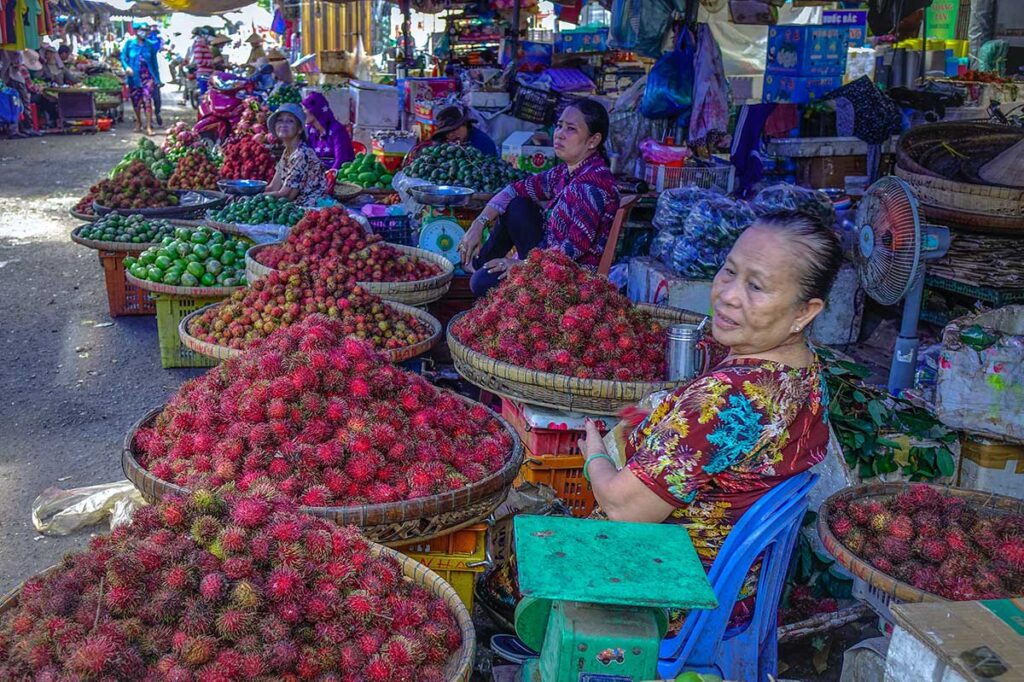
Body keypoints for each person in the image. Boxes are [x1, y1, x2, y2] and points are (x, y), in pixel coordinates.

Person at [577, 210, 844, 629]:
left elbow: (623, 507)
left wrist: (595, 455)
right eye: (728, 271)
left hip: (683, 588)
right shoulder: (803, 372)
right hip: (732, 582)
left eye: (756, 287)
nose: (728, 296)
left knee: (520, 562)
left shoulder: (724, 398)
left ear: (805, 312)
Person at [458, 98, 619, 296]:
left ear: (593, 140)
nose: (559, 134)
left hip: (568, 276)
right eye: (559, 126)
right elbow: (514, 190)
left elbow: (571, 250)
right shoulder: (565, 172)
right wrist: (478, 224)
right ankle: (482, 263)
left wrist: (521, 264)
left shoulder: (590, 186)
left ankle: (484, 269)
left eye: (571, 129)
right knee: (516, 204)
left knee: (480, 283)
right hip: (546, 253)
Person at [264, 103, 329, 205]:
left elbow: (286, 195)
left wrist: (257, 196)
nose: (283, 124)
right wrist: (249, 192)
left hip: (310, 208)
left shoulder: (302, 154)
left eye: (290, 121)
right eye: (280, 120)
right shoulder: (287, 152)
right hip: (293, 206)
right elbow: (273, 187)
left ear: (299, 129)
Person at [405, 104, 497, 165]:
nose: (451, 135)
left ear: (465, 125)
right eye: (447, 133)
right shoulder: (449, 144)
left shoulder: (482, 143)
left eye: (455, 129)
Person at [121, 23, 161, 135]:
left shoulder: (150, 45)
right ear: (136, 31)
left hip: (148, 77)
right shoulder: (129, 44)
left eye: (147, 30)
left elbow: (154, 63)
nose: (145, 32)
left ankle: (148, 126)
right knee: (136, 101)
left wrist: (158, 79)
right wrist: (127, 67)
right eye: (142, 30)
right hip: (134, 78)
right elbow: (123, 57)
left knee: (147, 100)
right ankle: (138, 122)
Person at [301, 91, 354, 171]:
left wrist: (329, 175)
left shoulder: (337, 130)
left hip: (337, 174)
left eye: (305, 109)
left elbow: (341, 161)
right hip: (317, 173)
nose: (302, 112)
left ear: (315, 110)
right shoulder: (310, 130)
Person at [146, 25, 164, 126]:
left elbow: (155, 65)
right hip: (143, 79)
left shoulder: (152, 44)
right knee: (147, 100)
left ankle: (157, 113)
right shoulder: (137, 45)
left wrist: (158, 79)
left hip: (153, 77)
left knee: (157, 99)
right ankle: (149, 122)